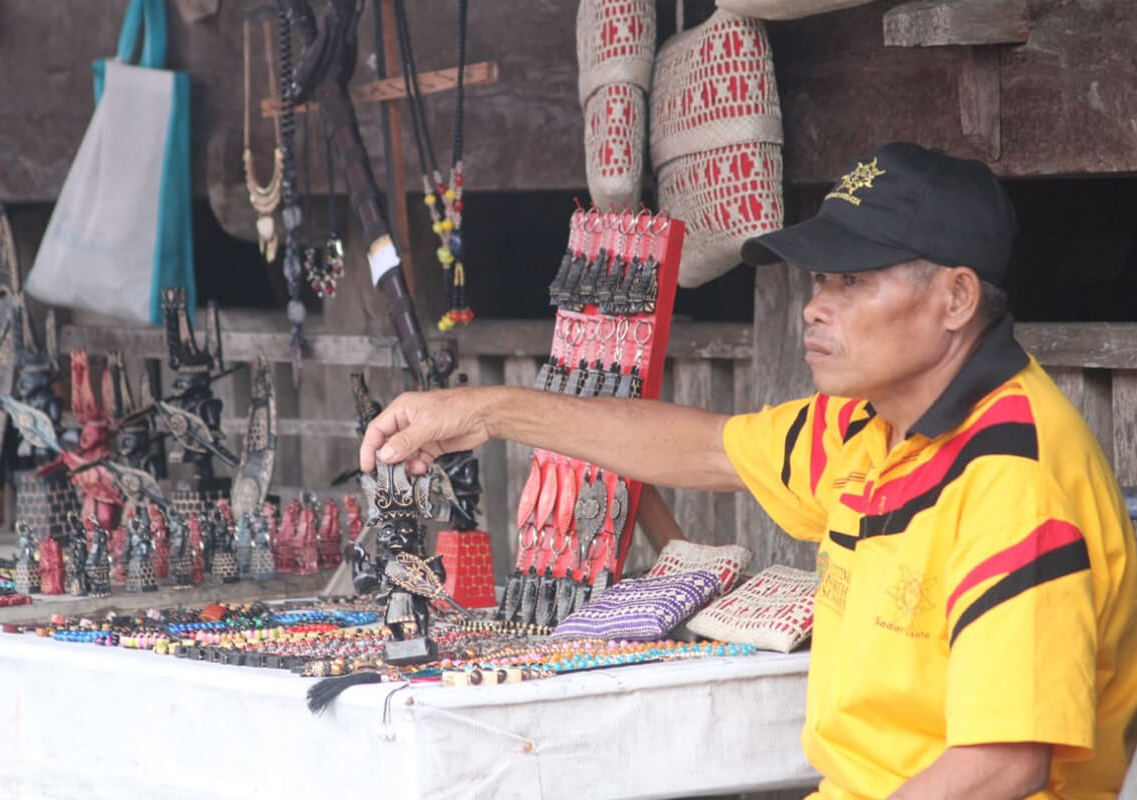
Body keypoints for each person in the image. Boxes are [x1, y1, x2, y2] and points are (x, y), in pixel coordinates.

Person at [358, 142, 1137, 798]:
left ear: (957, 298)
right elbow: (700, 447)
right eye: (819, 280)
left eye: (852, 281)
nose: (814, 307)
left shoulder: (1016, 477)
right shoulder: (871, 425)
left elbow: (1002, 762)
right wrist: (485, 412)